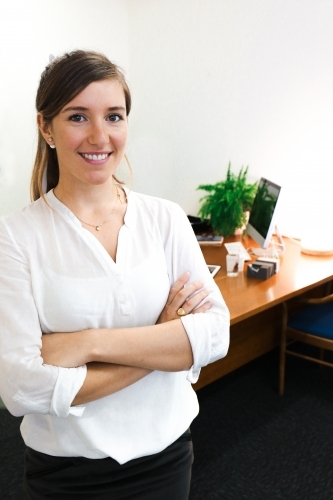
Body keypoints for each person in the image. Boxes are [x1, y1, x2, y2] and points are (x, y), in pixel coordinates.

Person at [0, 50, 230, 499]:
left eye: (114, 116)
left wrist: (86, 344)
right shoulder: (16, 237)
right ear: (46, 127)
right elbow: (20, 388)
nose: (100, 135)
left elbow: (215, 335)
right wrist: (163, 339)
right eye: (78, 117)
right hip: (66, 473)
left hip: (165, 457)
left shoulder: (164, 218)